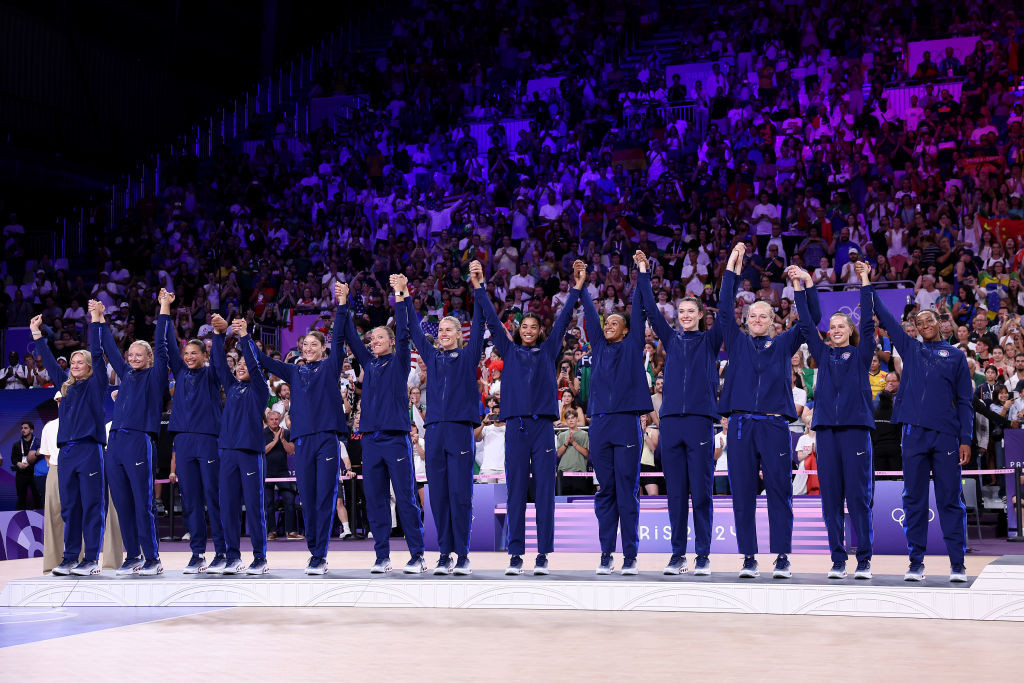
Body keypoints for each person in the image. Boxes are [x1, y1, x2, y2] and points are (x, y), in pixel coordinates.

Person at [474, 259, 582, 575]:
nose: (530, 331)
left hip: (543, 427)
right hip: (517, 428)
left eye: (535, 327)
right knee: (516, 491)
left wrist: (576, 287)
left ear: (540, 332)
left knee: (545, 493)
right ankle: (516, 554)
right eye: (525, 327)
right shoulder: (509, 351)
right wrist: (480, 286)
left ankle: (543, 555)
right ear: (519, 331)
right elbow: (493, 323)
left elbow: (563, 320)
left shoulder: (549, 351)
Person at [634, 250, 725, 575]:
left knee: (700, 492)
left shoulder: (711, 341)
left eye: (691, 311)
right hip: (670, 424)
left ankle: (702, 556)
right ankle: (677, 556)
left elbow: (726, 309)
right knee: (675, 494)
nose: (685, 315)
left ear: (701, 315)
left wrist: (730, 270)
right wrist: (644, 270)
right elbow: (651, 309)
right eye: (682, 311)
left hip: (700, 423)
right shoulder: (671, 340)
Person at [873, 293, 973, 582]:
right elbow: (889, 321)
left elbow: (965, 401)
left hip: (945, 437)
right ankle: (915, 563)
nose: (925, 325)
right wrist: (868, 283)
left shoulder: (955, 356)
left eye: (930, 320)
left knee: (950, 501)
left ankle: (958, 565)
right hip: (913, 435)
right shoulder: (910, 349)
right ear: (914, 329)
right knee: (913, 500)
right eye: (919, 322)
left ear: (940, 324)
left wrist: (965, 438)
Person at [248, 289, 349, 575]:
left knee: (324, 498)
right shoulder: (294, 371)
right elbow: (264, 362)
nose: (307, 348)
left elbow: (339, 339)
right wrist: (245, 338)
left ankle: (319, 555)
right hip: (303, 442)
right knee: (306, 497)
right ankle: (314, 552)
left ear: (322, 348)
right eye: (304, 344)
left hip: (327, 440)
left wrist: (342, 305)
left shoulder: (330, 367)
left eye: (313, 344)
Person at [719, 243, 804, 579]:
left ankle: (782, 556)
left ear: (773, 321)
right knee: (742, 492)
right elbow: (724, 310)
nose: (757, 320)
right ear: (747, 319)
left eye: (763, 316)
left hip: (773, 426)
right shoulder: (737, 342)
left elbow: (811, 321)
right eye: (752, 315)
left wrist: (799, 287)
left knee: (779, 491)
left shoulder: (783, 344)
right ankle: (749, 557)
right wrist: (731, 267)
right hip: (740, 425)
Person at [791, 262, 876, 580]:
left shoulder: (861, 354)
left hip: (855, 432)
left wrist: (865, 279)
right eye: (833, 326)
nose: (836, 329)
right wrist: (802, 285)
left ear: (850, 331)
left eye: (842, 326)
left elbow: (868, 323)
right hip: (825, 433)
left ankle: (864, 560)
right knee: (830, 501)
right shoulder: (822, 354)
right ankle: (838, 560)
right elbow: (806, 325)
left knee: (857, 498)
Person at [402, 265, 486, 576]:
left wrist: (478, 287)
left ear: (459, 336)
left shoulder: (468, 357)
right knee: (437, 498)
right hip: (434, 432)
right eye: (441, 329)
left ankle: (462, 555)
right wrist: (404, 295)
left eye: (449, 329)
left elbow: (478, 324)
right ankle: (443, 555)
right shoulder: (432, 358)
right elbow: (412, 326)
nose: (443, 333)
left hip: (460, 431)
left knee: (460, 496)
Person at [339, 278, 425, 574]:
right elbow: (350, 335)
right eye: (372, 338)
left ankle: (417, 555)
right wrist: (344, 303)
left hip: (396, 439)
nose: (373, 341)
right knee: (374, 500)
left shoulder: (400, 361)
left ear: (389, 342)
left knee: (405, 498)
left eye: (379, 337)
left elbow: (404, 334)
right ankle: (382, 557)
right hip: (370, 442)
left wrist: (400, 295)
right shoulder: (368, 363)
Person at [579, 258, 653, 575]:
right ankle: (606, 554)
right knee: (606, 490)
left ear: (625, 331)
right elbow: (590, 318)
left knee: (627, 490)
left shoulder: (633, 344)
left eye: (614, 324)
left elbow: (638, 308)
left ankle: (630, 556)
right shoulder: (598, 345)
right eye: (606, 323)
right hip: (600, 425)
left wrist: (642, 275)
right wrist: (581, 285)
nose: (608, 326)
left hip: (625, 424)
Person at [30, 306, 109, 576]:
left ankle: (90, 560)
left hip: (89, 449)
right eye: (72, 363)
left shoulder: (96, 384)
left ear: (88, 366)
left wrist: (95, 321)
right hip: (67, 453)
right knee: (70, 507)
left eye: (79, 363)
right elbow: (51, 363)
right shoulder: (67, 387)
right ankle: (70, 558)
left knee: (91, 505)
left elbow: (99, 356)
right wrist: (36, 334)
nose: (74, 366)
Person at [98, 298, 168, 576]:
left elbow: (162, 346)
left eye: (140, 355)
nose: (133, 359)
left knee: (142, 502)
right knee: (122, 503)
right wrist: (100, 318)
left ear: (149, 358)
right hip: (114, 442)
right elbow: (109, 349)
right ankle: (133, 556)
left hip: (139, 441)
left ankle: (153, 558)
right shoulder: (125, 374)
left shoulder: (155, 375)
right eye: (131, 355)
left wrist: (163, 309)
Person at [162, 290, 227, 574]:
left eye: (194, 353)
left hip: (208, 440)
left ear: (204, 355)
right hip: (183, 441)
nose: (188, 357)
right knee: (190, 499)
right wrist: (165, 308)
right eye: (186, 353)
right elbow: (165, 344)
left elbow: (221, 359)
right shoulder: (179, 370)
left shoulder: (212, 373)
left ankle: (223, 551)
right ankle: (197, 553)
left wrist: (220, 334)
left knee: (213, 497)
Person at [209, 316, 270, 574]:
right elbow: (219, 363)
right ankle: (232, 556)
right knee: (228, 506)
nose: (242, 366)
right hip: (227, 454)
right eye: (240, 364)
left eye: (247, 363)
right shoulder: (231, 386)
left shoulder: (260, 389)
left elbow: (254, 366)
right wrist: (218, 334)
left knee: (254, 508)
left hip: (249, 454)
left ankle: (260, 558)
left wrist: (244, 337)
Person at [39, 390, 125, 574]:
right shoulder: (49, 426)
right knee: (61, 515)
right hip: (58, 468)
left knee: (97, 513)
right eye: (59, 401)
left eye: (65, 400)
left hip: (97, 467)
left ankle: (100, 561)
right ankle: (57, 562)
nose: (62, 403)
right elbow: (47, 454)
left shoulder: (95, 421)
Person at [264, 409, 300, 539]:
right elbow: (263, 451)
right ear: (268, 420)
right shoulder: (262, 433)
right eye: (272, 419)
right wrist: (274, 440)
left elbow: (291, 451)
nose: (274, 421)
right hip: (267, 473)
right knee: (268, 503)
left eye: (276, 419)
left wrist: (282, 439)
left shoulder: (287, 433)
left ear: (280, 420)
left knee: (289, 500)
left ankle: (291, 531)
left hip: (283, 472)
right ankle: (272, 531)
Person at [556, 409, 592, 495]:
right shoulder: (561, 435)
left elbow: (587, 453)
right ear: (566, 421)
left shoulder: (585, 435)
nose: (571, 420)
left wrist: (573, 443)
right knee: (563, 502)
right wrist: (566, 443)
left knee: (580, 500)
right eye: (568, 418)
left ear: (577, 419)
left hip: (579, 472)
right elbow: (558, 454)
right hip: (563, 472)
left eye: (573, 418)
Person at [10, 421, 42, 509]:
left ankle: (41, 520)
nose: (23, 430)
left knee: (38, 498)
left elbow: (41, 458)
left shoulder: (38, 443)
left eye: (25, 428)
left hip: (35, 474)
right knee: (21, 498)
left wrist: (31, 462)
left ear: (31, 430)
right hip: (21, 474)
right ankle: (19, 521)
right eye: (22, 428)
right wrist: (18, 463)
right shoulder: (16, 444)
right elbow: (13, 458)